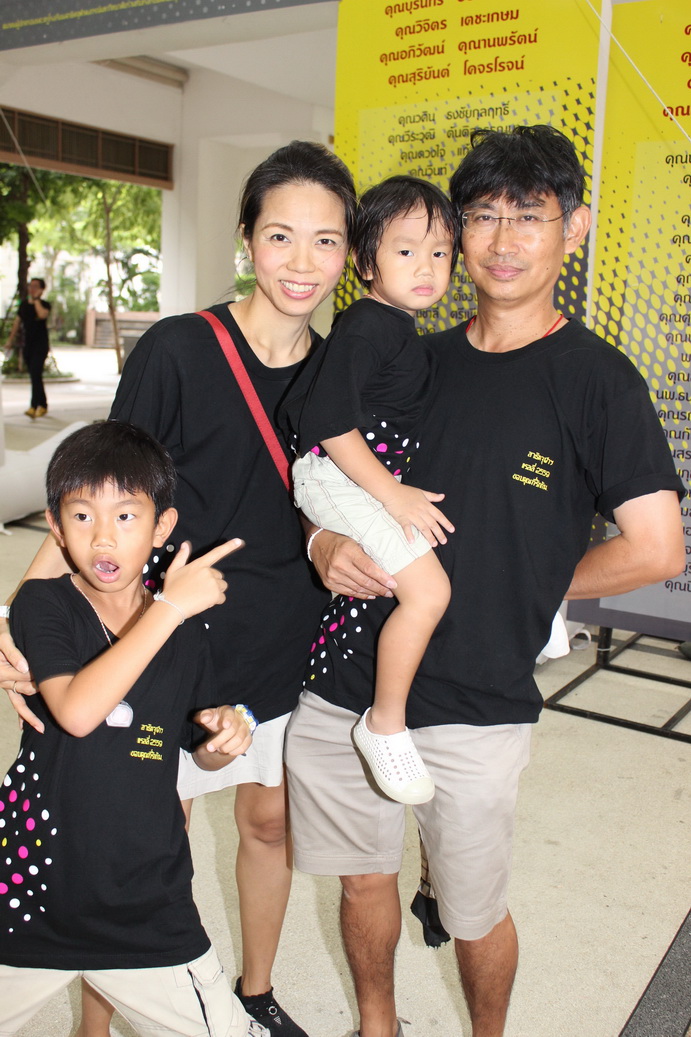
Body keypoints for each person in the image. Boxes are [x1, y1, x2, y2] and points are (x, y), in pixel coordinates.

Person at [283, 125, 686, 1037]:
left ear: (573, 228)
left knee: (472, 911)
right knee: (362, 879)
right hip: (348, 680)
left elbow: (657, 548)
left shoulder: (596, 380)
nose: (502, 241)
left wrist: (527, 586)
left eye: (528, 216)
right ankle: (376, 1025)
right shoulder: (409, 355)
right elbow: (325, 465)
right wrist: (319, 541)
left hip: (476, 699)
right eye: (482, 216)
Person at [0, 140, 360, 1037]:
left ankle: (254, 991)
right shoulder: (179, 349)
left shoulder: (341, 375)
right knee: (140, 833)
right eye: (280, 236)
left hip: (282, 637)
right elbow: (102, 496)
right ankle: (98, 1019)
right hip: (161, 635)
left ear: (349, 253)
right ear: (246, 238)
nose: (302, 261)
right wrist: (19, 617)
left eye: (325, 240)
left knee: (268, 822)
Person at [0, 420, 270, 1037]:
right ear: (55, 527)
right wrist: (170, 608)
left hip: (145, 896)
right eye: (81, 516)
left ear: (161, 527)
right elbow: (77, 712)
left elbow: (199, 751)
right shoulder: (46, 603)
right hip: (31, 884)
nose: (103, 536)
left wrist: (227, 733)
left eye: (126, 516)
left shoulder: (184, 630)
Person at [281, 176, 457, 805]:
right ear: (365, 262)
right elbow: (328, 425)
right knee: (429, 591)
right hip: (339, 475)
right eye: (405, 250)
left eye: (440, 252)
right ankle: (383, 724)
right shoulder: (368, 326)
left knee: (415, 587)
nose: (426, 266)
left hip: (355, 479)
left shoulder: (394, 328)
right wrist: (394, 495)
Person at [4, 276, 52, 418]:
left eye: (36, 286)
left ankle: (33, 406)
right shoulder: (24, 305)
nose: (32, 289)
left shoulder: (44, 304)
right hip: (27, 345)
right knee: (35, 376)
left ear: (42, 289)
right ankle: (43, 404)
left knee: (36, 374)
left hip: (40, 345)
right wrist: (10, 340)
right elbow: (17, 323)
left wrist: (36, 300)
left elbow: (42, 315)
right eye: (31, 286)